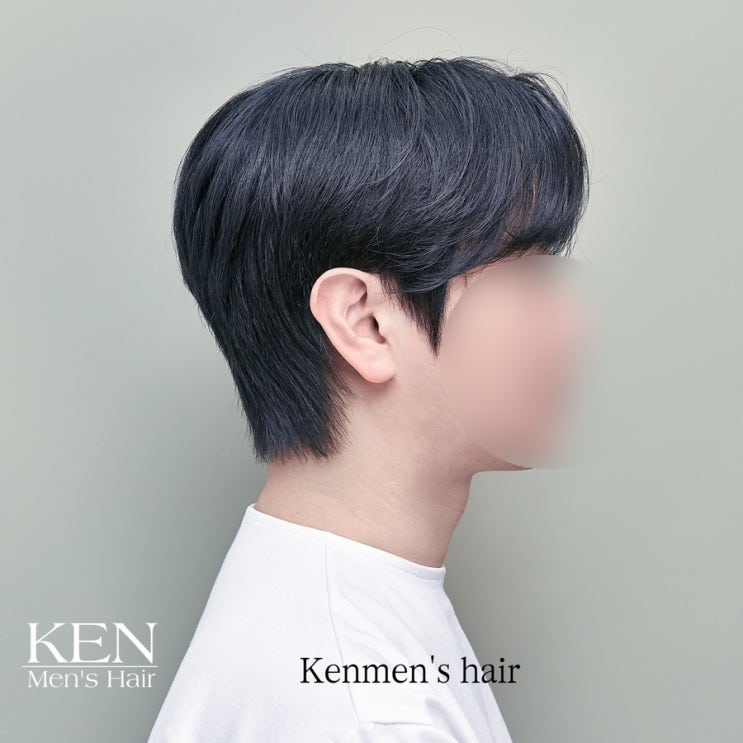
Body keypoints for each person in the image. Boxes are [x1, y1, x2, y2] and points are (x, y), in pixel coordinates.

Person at [147, 55, 591, 742]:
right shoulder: (369, 713)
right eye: (528, 274)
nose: (574, 324)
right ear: (365, 322)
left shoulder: (324, 602)